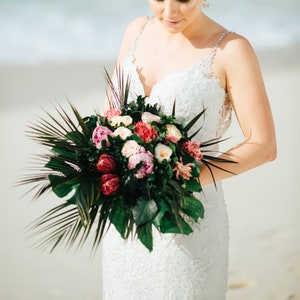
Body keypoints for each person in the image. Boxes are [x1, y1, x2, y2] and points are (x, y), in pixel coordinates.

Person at [101, 0, 277, 299]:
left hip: (186, 220)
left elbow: (263, 145)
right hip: (127, 217)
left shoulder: (231, 50)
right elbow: (109, 117)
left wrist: (179, 180)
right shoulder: (136, 30)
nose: (170, 12)